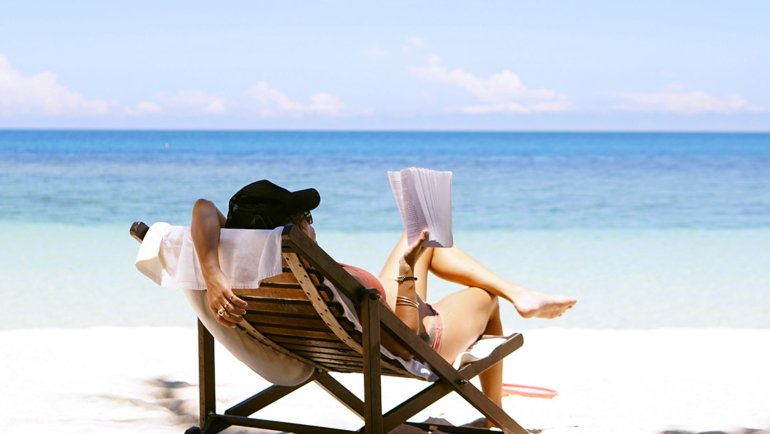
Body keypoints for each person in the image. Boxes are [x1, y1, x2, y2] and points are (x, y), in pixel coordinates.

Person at [190, 180, 576, 426]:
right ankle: (493, 411)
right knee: (486, 299)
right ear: (294, 232)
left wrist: (212, 276)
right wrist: (406, 274)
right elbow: (408, 343)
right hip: (412, 339)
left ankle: (520, 295)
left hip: (348, 323)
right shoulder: (319, 271)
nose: (311, 224)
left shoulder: (237, 260)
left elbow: (203, 207)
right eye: (305, 217)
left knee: (424, 242)